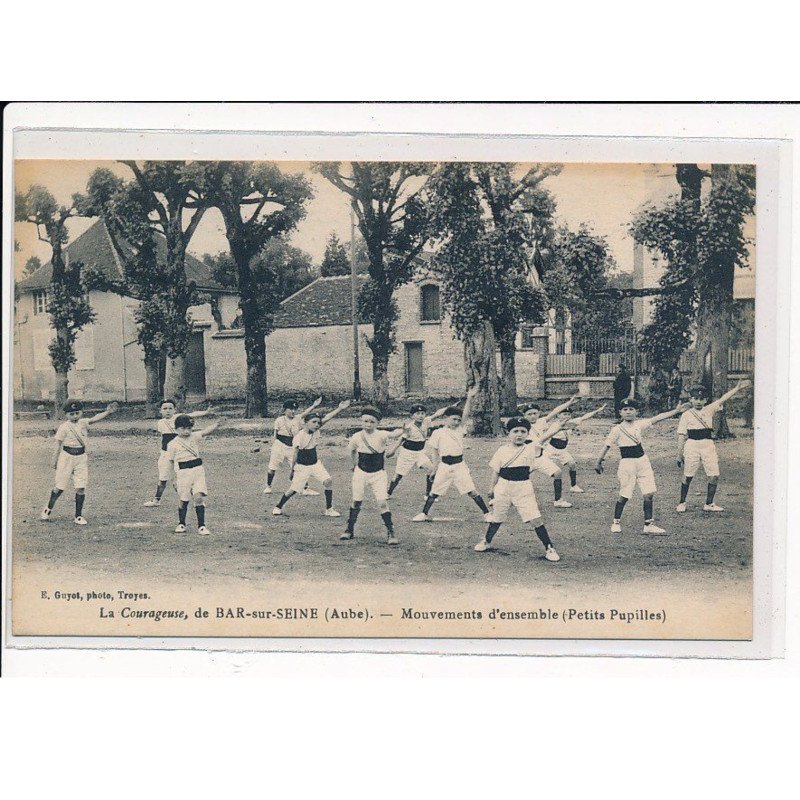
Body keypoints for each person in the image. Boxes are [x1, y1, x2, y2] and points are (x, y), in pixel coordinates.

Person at [595, 398, 690, 535]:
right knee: (625, 494)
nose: (628, 412)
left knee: (649, 493)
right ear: (620, 412)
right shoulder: (617, 429)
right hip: (627, 464)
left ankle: (648, 524)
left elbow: (657, 418)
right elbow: (607, 446)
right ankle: (616, 522)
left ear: (636, 412)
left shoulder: (639, 424)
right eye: (625, 410)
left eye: (631, 409)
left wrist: (676, 411)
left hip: (642, 462)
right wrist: (598, 461)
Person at [473, 417, 560, 561]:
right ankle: (486, 541)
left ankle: (549, 548)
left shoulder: (531, 448)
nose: (519, 435)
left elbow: (546, 436)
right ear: (508, 433)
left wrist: (559, 425)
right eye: (515, 431)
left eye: (523, 431)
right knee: (497, 518)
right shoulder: (501, 450)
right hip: (503, 487)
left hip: (523, 487)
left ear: (528, 434)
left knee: (535, 518)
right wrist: (491, 488)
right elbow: (495, 471)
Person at [676, 379, 751, 513]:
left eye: (701, 399)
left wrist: (737, 388)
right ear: (691, 399)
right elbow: (681, 435)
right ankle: (682, 502)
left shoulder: (709, 409)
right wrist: (679, 453)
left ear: (705, 400)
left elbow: (723, 399)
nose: (698, 401)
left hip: (707, 445)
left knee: (714, 474)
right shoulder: (686, 415)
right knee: (688, 475)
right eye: (695, 398)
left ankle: (709, 503)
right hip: (692, 445)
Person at [41, 400, 119, 525]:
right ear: (66, 415)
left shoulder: (83, 423)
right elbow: (58, 444)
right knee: (59, 487)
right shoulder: (64, 427)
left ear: (81, 413)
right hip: (66, 458)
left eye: (77, 413)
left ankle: (78, 516)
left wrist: (107, 412)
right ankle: (48, 508)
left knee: (81, 486)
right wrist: (54, 459)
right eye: (71, 414)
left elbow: (95, 419)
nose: (75, 416)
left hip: (81, 457)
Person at [272, 400, 351, 518]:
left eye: (318, 423)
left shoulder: (315, 430)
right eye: (313, 422)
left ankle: (329, 509)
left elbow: (328, 418)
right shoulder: (299, 436)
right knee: (294, 489)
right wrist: (292, 471)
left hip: (315, 464)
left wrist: (340, 408)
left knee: (328, 481)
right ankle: (278, 506)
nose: (317, 424)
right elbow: (295, 455)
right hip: (302, 466)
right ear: (305, 423)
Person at [412, 407, 492, 523]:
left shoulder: (459, 430)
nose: (456, 422)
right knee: (434, 492)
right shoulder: (438, 433)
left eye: (458, 420)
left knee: (471, 491)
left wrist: (470, 397)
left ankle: (487, 514)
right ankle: (424, 514)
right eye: (454, 419)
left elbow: (466, 413)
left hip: (459, 465)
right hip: (444, 466)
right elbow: (434, 451)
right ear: (445, 418)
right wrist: (435, 468)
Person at [341, 408, 404, 545]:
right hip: (361, 472)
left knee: (382, 502)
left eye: (372, 422)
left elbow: (394, 434)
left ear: (377, 423)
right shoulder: (357, 436)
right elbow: (351, 450)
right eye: (365, 421)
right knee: (356, 501)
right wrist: (353, 465)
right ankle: (349, 529)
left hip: (378, 474)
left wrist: (403, 429)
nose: (368, 424)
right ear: (361, 421)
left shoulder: (381, 434)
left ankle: (390, 531)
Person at [143, 399, 215, 507]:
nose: (168, 411)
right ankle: (156, 500)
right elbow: (164, 439)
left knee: (187, 476)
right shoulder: (160, 423)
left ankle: (197, 499)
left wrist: (206, 412)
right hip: (166, 454)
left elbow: (192, 415)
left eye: (170, 408)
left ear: (174, 410)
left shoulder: (178, 418)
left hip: (180, 454)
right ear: (160, 411)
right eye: (165, 409)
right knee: (163, 478)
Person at [519, 395, 580, 508]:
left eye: (535, 413)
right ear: (524, 415)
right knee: (515, 479)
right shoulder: (521, 425)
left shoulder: (541, 422)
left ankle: (558, 500)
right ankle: (499, 497)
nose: (532, 416)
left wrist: (569, 402)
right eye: (529, 414)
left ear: (539, 413)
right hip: (526, 459)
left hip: (539, 458)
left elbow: (555, 411)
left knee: (557, 472)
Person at [167, 413, 222, 535]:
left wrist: (217, 424)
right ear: (176, 429)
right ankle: (181, 523)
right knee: (184, 499)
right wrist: (173, 478)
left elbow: (206, 431)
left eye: (189, 428)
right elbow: (170, 462)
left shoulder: (194, 437)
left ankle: (201, 526)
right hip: (182, 473)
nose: (187, 431)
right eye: (183, 428)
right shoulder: (172, 444)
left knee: (198, 497)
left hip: (197, 470)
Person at [542, 403, 607, 496]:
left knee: (572, 464)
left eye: (568, 414)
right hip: (550, 449)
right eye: (564, 414)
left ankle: (574, 486)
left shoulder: (572, 423)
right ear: (558, 415)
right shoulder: (553, 425)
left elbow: (584, 417)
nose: (567, 416)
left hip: (562, 451)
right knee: (536, 464)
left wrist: (597, 410)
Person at [263, 397, 322, 495]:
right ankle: (268, 486)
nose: (293, 411)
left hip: (292, 446)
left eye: (295, 409)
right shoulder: (279, 420)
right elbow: (275, 434)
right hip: (280, 445)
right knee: (272, 466)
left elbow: (306, 413)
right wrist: (273, 445)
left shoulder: (298, 418)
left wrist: (314, 405)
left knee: (298, 467)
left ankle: (305, 488)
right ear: (285, 410)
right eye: (290, 409)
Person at [386, 403, 448, 498]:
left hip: (420, 453)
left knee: (432, 469)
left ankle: (428, 494)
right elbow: (401, 440)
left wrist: (450, 408)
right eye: (417, 413)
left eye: (422, 413)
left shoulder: (426, 421)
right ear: (412, 415)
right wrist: (392, 451)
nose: (420, 416)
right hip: (407, 453)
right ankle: (388, 493)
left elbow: (437, 414)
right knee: (398, 475)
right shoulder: (409, 427)